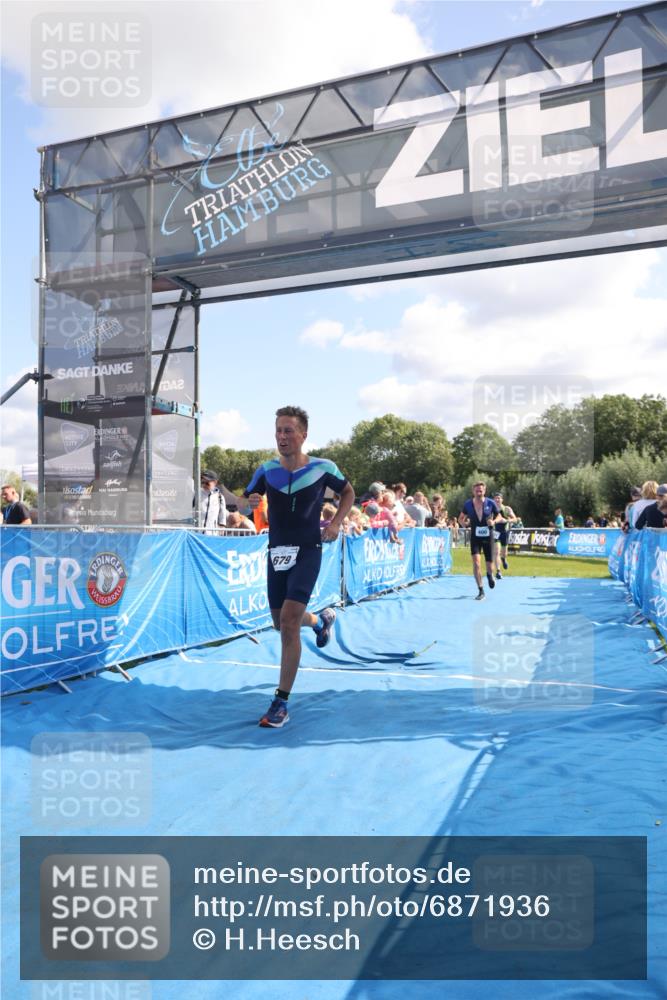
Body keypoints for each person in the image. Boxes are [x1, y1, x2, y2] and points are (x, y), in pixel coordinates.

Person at [222, 406, 354, 728]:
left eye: (288, 430)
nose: (282, 436)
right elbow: (243, 500)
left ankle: (281, 702)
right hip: (277, 551)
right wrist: (246, 501)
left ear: (303, 435)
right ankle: (321, 621)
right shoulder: (266, 470)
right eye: (279, 430)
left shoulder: (324, 468)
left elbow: (348, 492)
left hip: (308, 549)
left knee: (289, 622)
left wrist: (336, 522)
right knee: (281, 623)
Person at [458, 482, 500, 600]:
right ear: (473, 491)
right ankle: (481, 590)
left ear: (484, 490)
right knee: (476, 563)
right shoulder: (468, 504)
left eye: (481, 490)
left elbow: (499, 516)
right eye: (477, 490)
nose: (479, 492)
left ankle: (490, 575)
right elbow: (460, 518)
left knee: (489, 564)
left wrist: (494, 522)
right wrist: (465, 525)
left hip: (488, 536)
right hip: (475, 537)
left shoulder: (490, 503)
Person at [491, 491, 516, 578]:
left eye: (499, 498)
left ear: (502, 499)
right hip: (496, 532)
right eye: (495, 498)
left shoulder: (507, 509)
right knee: (496, 552)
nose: (497, 500)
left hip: (504, 532)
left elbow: (515, 519)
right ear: (493, 500)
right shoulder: (491, 509)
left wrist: (507, 520)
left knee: (504, 552)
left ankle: (504, 559)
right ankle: (498, 571)